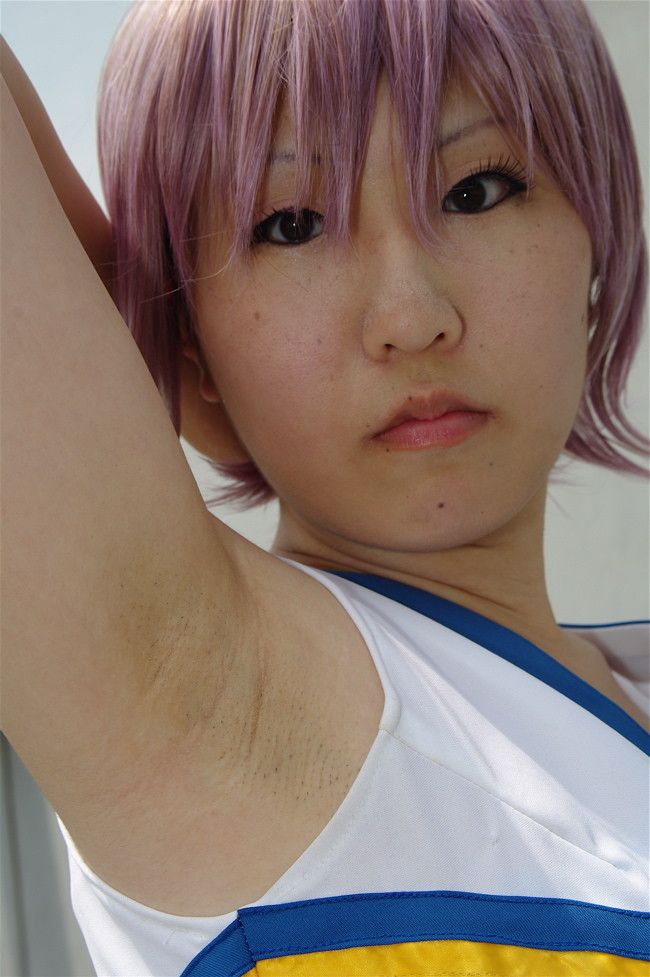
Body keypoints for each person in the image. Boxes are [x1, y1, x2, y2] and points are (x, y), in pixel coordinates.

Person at [2, 1, 648, 975]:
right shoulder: (207, 699)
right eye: (292, 225)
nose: (410, 317)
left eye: (475, 191)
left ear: (595, 240)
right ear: (191, 341)